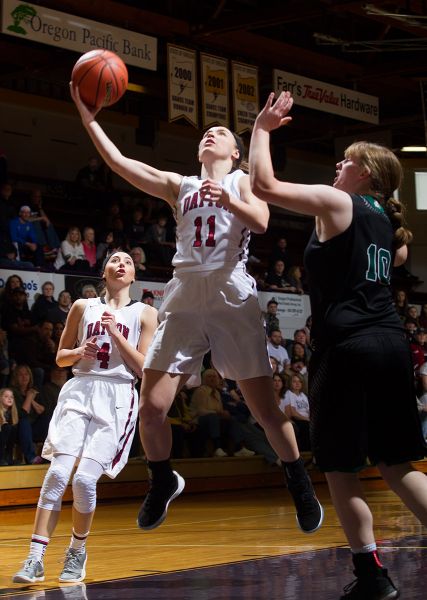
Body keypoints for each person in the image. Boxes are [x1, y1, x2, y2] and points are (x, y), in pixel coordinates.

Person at [71, 83, 323, 536]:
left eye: (221, 131)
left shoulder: (243, 181)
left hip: (231, 292)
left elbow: (262, 222)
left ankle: (298, 480)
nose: (211, 133)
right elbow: (119, 163)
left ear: (235, 151)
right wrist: (90, 118)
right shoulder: (180, 184)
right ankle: (162, 479)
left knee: (265, 410)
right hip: (185, 293)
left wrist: (229, 199)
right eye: (206, 131)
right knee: (150, 407)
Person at [249, 90, 427, 599]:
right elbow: (396, 254)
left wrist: (261, 128)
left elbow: (264, 184)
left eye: (346, 160)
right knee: (397, 465)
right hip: (391, 343)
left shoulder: (338, 202)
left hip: (346, 347)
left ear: (366, 173)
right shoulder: (388, 226)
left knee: (342, 469)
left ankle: (372, 577)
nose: (337, 164)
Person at [12, 251, 158, 584]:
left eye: (128, 261)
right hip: (80, 390)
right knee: (57, 474)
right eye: (114, 260)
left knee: (83, 481)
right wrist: (80, 351)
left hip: (117, 396)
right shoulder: (83, 306)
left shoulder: (146, 313)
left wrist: (117, 336)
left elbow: (144, 367)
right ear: (103, 271)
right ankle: (34, 558)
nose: (121, 264)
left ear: (134, 275)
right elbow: (61, 358)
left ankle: (77, 552)